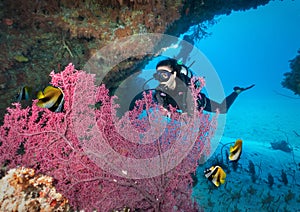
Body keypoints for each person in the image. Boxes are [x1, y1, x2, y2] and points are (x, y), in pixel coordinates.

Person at [129, 58, 254, 114]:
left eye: (164, 75)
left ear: (173, 74)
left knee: (223, 109)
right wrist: (165, 109)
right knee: (144, 100)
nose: (161, 79)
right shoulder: (159, 91)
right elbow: (156, 99)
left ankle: (237, 92)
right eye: (158, 75)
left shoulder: (186, 86)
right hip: (175, 106)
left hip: (194, 103)